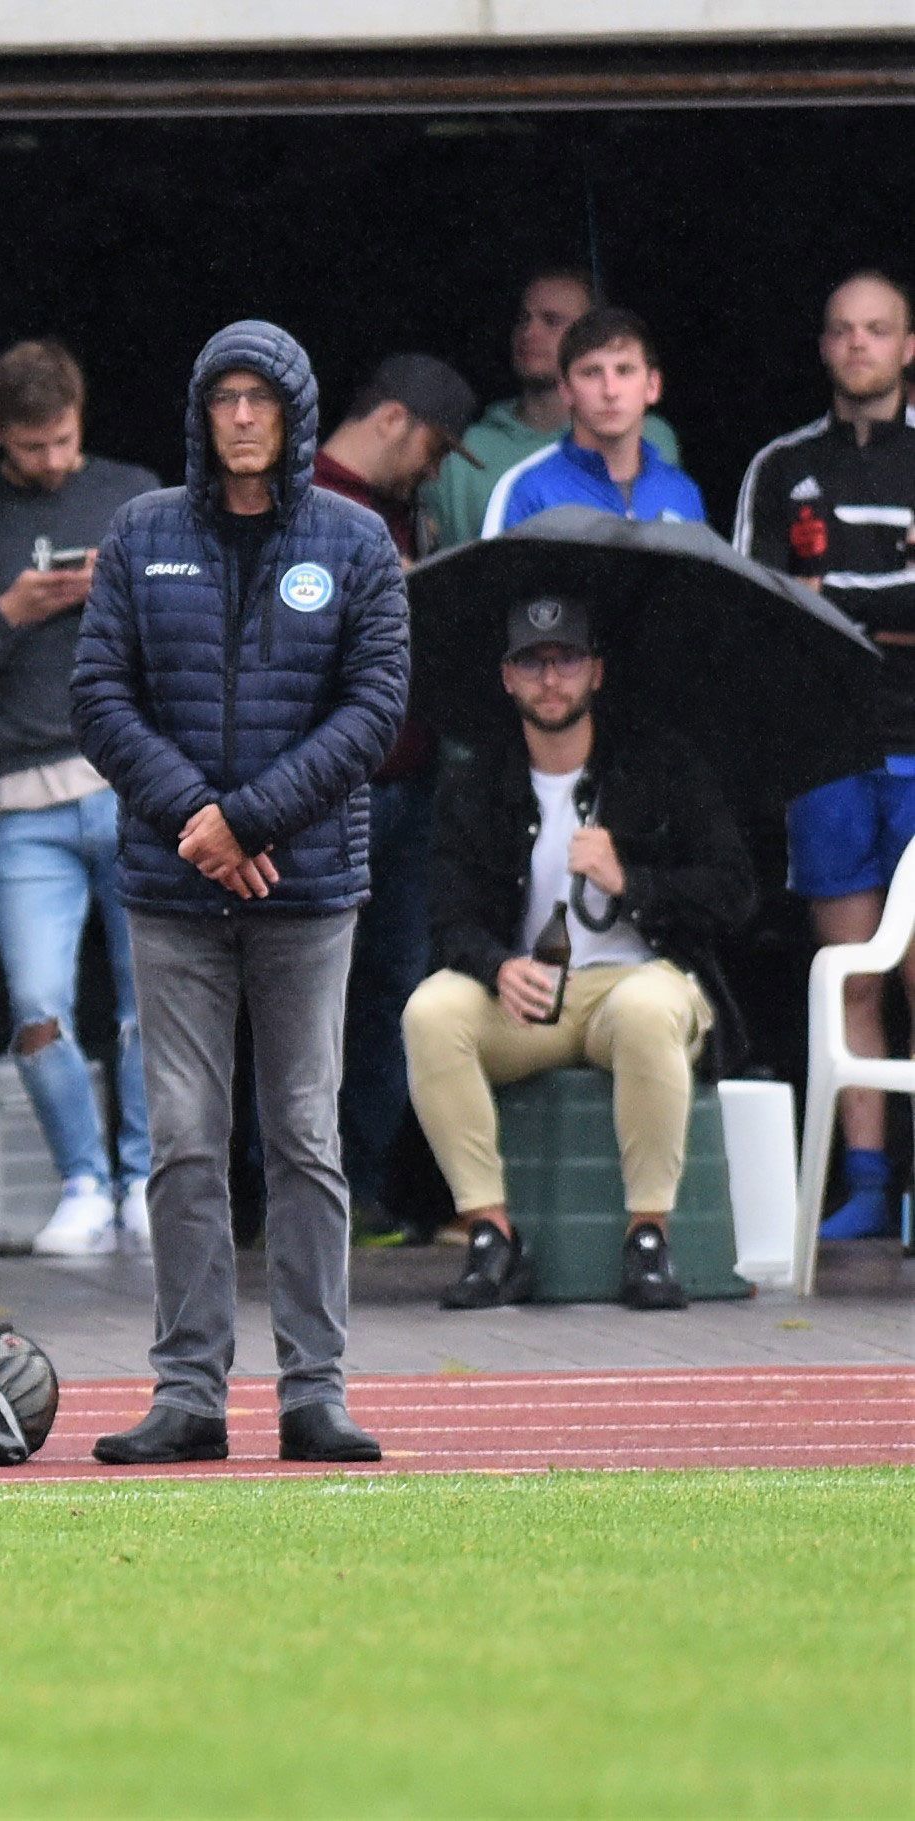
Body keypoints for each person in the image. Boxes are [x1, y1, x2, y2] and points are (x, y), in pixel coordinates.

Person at [71, 320, 409, 1466]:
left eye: (265, 397)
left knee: (306, 1136)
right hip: (174, 889)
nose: (246, 416)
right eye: (226, 397)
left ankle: (315, 1391)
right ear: (202, 412)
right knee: (182, 1140)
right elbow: (99, 698)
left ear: (297, 412)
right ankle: (190, 1394)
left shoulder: (359, 543)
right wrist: (194, 824)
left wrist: (249, 819)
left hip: (306, 888)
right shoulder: (139, 534)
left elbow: (374, 710)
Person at [403, 596, 751, 1313]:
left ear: (595, 671)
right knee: (430, 1010)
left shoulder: (659, 763)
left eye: (565, 660)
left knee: (648, 1007)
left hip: (636, 982)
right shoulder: (477, 779)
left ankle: (648, 1235)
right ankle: (490, 1233)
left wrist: (633, 881)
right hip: (533, 996)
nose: (550, 679)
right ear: (506, 677)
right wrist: (497, 964)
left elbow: (735, 893)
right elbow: (447, 919)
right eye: (531, 662)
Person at [0, 338, 162, 1257]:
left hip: (132, 784)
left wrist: (120, 594)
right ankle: (82, 1180)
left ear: (81, 419)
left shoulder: (134, 496)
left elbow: (195, 633)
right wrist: (7, 615)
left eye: (62, 441)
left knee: (153, 997)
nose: (52, 462)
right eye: (30, 448)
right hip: (20, 798)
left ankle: (144, 1177)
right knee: (35, 1000)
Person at [733, 270, 915, 1239]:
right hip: (823, 751)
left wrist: (842, 608)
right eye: (842, 330)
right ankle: (869, 1183)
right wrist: (879, 607)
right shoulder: (781, 465)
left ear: (908, 345)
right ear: (823, 346)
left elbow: (831, 610)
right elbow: (760, 613)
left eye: (877, 330)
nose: (859, 346)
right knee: (850, 972)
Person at [310, 353, 479, 1243]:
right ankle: (291, 1195)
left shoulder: (399, 512)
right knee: (308, 994)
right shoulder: (298, 498)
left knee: (393, 993)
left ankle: (362, 1188)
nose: (435, 468)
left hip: (411, 784)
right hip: (330, 791)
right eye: (434, 447)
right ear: (391, 420)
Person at [419, 269, 683, 552]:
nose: (529, 332)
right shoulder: (465, 451)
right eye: (523, 319)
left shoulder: (647, 434)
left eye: (552, 321)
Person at [481, 307, 705, 535]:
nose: (610, 390)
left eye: (624, 370)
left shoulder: (682, 492)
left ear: (652, 386)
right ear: (565, 389)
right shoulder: (526, 490)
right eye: (591, 373)